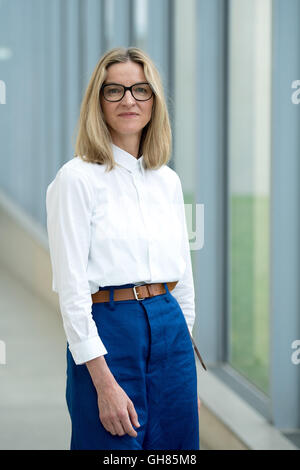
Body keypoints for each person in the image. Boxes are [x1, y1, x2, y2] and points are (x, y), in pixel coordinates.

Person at [46, 46, 201, 450]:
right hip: (110, 329)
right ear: (98, 102)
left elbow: (182, 277)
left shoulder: (167, 180)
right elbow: (72, 288)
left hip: (170, 331)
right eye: (114, 90)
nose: (129, 100)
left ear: (155, 101)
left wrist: (181, 354)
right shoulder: (75, 179)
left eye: (140, 90)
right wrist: (102, 379)